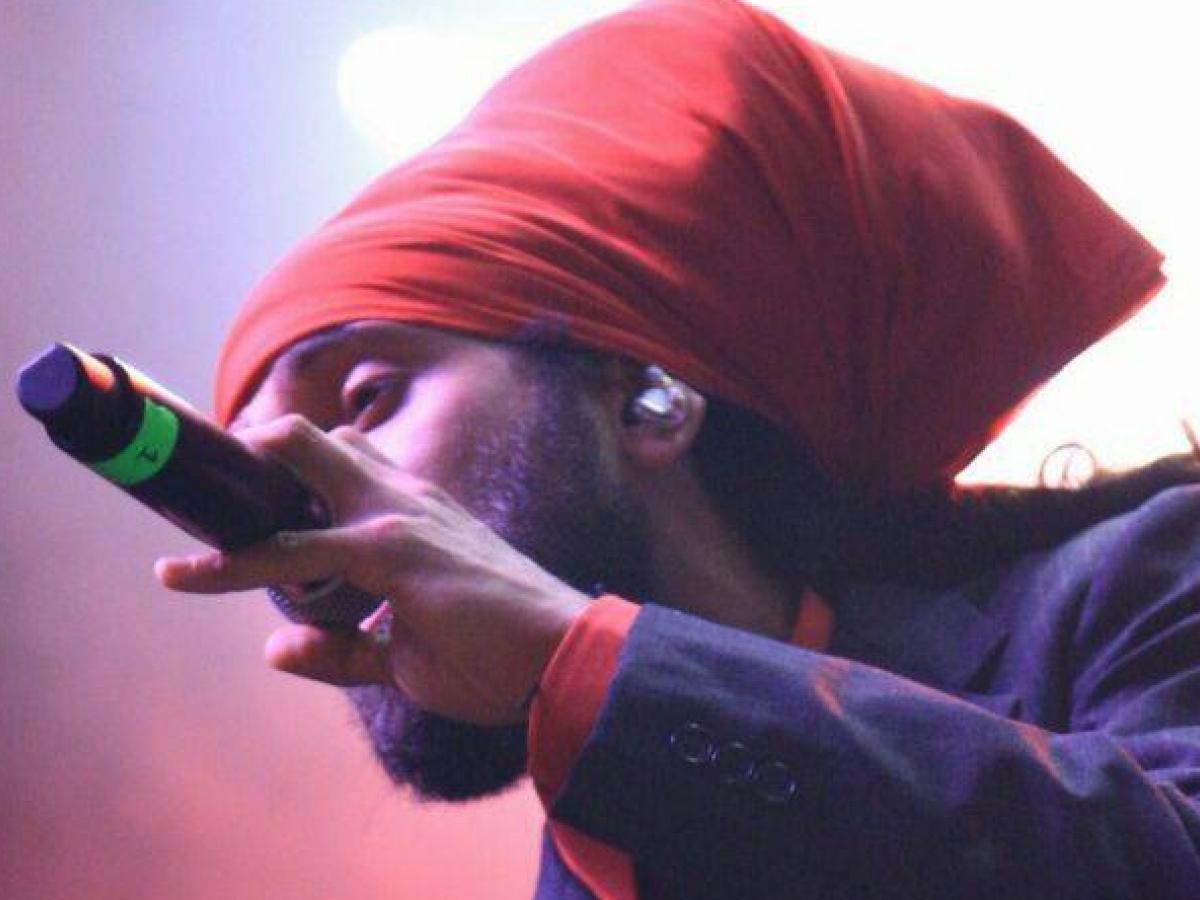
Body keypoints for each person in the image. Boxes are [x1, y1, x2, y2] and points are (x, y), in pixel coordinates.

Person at [155, 0, 1200, 896]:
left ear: (646, 400)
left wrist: (587, 663)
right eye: (268, 473)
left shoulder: (1137, 583)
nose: (309, 500)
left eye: (368, 397)